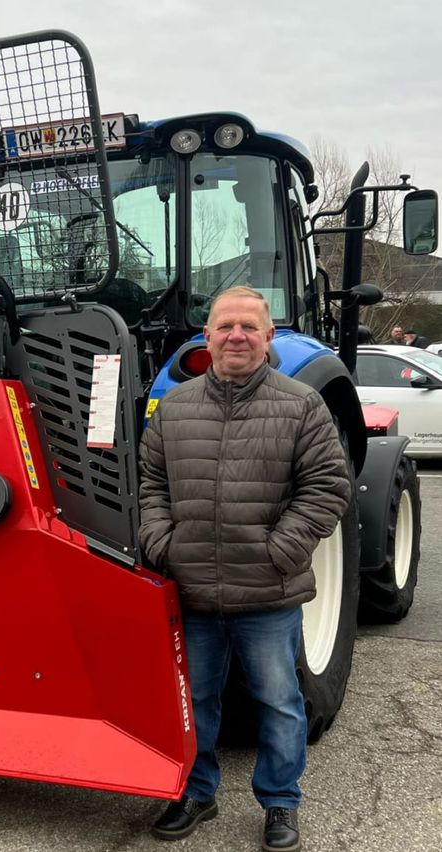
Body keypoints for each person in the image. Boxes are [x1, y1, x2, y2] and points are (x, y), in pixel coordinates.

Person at [139, 286, 350, 852]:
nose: (237, 336)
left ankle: (280, 803)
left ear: (268, 337)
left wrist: (282, 549)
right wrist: (162, 542)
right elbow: (151, 487)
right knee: (196, 701)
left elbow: (328, 488)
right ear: (205, 336)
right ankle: (196, 792)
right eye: (226, 326)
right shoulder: (174, 409)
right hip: (194, 590)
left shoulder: (301, 405)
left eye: (249, 327)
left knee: (278, 703)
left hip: (268, 592)